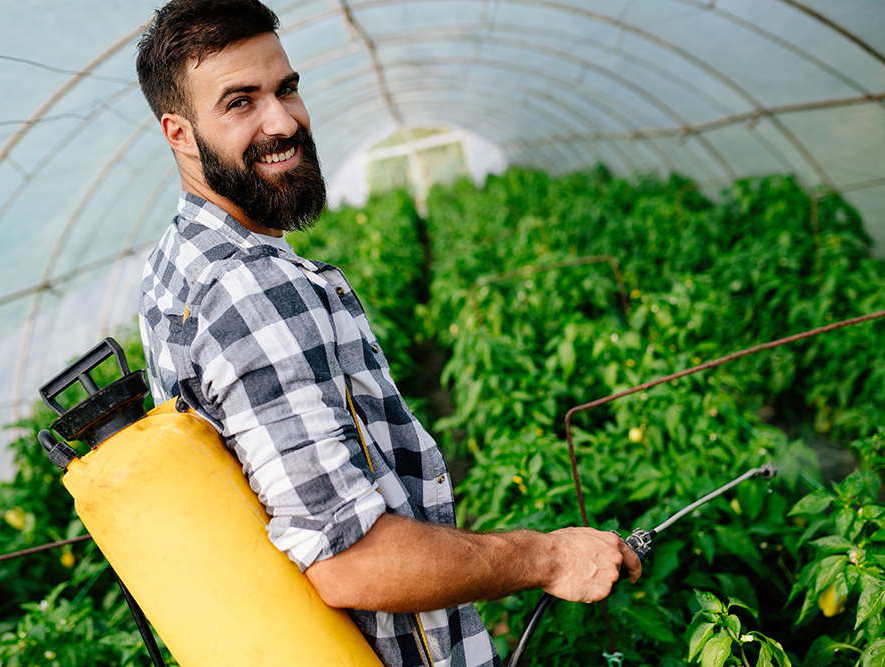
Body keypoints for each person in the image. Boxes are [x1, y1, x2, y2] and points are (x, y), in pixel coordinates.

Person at [135, 1, 642, 665]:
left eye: (286, 88)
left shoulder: (176, 262)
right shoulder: (247, 288)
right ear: (178, 132)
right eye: (241, 102)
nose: (282, 120)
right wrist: (548, 555)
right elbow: (351, 560)